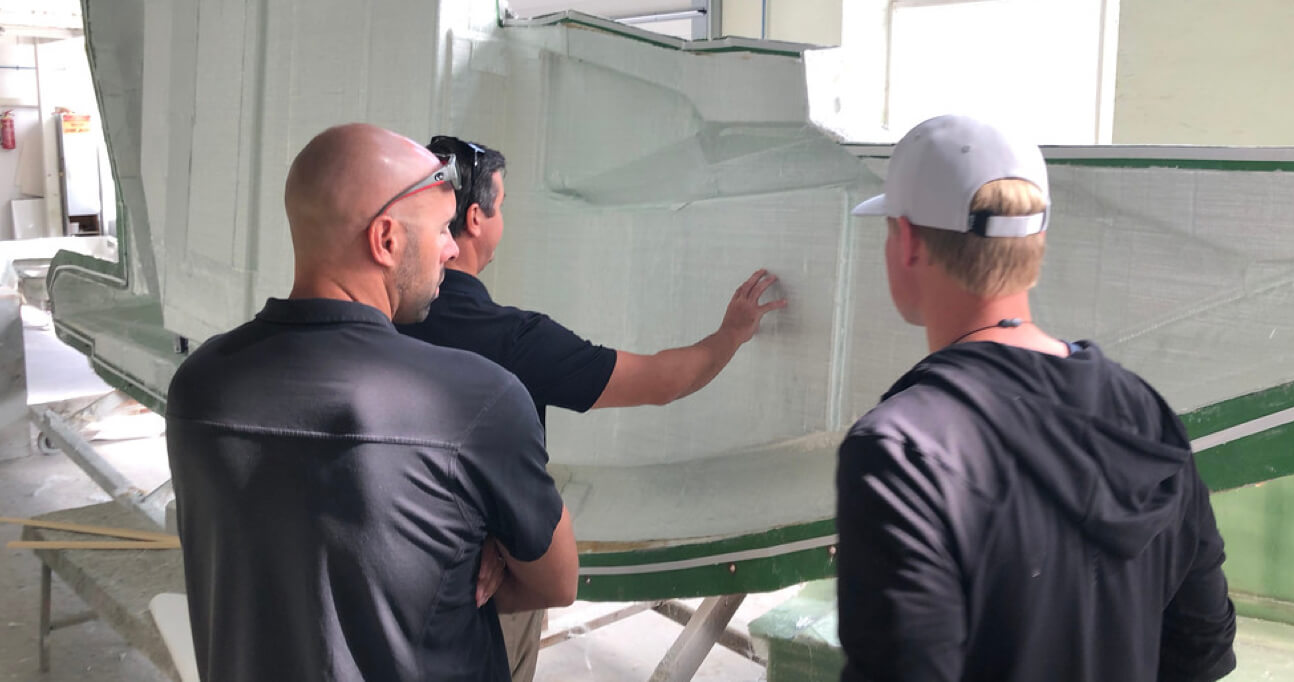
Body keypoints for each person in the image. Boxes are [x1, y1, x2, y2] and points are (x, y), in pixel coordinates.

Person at [165, 123, 578, 682]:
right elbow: (558, 582)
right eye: (439, 230)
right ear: (386, 240)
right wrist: (473, 557)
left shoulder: (198, 389)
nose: (454, 247)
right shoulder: (477, 400)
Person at [835, 114, 1236, 681]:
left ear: (905, 243)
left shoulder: (901, 451)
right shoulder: (1145, 411)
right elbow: (1203, 643)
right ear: (1037, 241)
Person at [397, 136, 787, 681]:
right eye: (501, 204)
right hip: (484, 595)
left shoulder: (379, 314)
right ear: (478, 219)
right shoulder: (516, 342)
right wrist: (731, 334)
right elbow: (660, 381)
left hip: (381, 584)